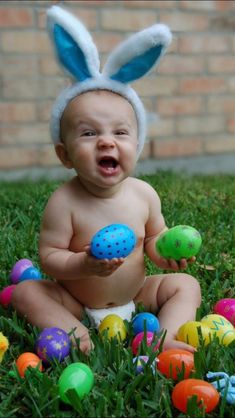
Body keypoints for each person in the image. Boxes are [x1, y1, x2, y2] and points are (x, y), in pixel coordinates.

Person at [12, 5, 201, 354]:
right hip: (76, 300)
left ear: (137, 146)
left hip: (137, 294)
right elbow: (50, 257)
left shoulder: (144, 194)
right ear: (65, 155)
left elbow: (153, 240)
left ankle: (166, 337)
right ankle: (75, 334)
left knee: (185, 284)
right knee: (26, 292)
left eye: (120, 132)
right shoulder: (64, 202)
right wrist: (84, 264)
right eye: (88, 133)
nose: (106, 141)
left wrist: (164, 252)